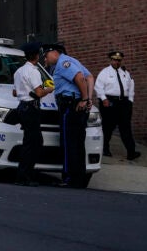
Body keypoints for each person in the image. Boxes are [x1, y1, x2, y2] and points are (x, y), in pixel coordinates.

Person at [43, 43, 94, 188]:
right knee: (78, 143)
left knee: (68, 143)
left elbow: (79, 77)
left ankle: (70, 178)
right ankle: (79, 178)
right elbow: (89, 77)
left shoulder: (63, 63)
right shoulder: (73, 61)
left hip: (70, 106)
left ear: (53, 53)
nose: (45, 60)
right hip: (77, 105)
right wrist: (88, 98)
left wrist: (85, 99)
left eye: (45, 56)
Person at [13, 42, 54, 186]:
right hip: (31, 109)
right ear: (36, 56)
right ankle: (25, 176)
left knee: (29, 142)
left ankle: (22, 175)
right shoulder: (34, 71)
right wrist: (49, 88)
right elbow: (39, 92)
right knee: (34, 144)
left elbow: (15, 92)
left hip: (22, 107)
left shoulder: (19, 71)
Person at [95, 51, 140, 160]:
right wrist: (103, 98)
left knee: (126, 127)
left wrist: (130, 101)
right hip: (109, 102)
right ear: (110, 60)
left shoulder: (125, 73)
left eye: (119, 60)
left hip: (123, 103)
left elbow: (131, 87)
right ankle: (105, 148)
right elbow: (98, 86)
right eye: (115, 60)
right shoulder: (105, 72)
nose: (117, 62)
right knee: (108, 127)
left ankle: (131, 152)